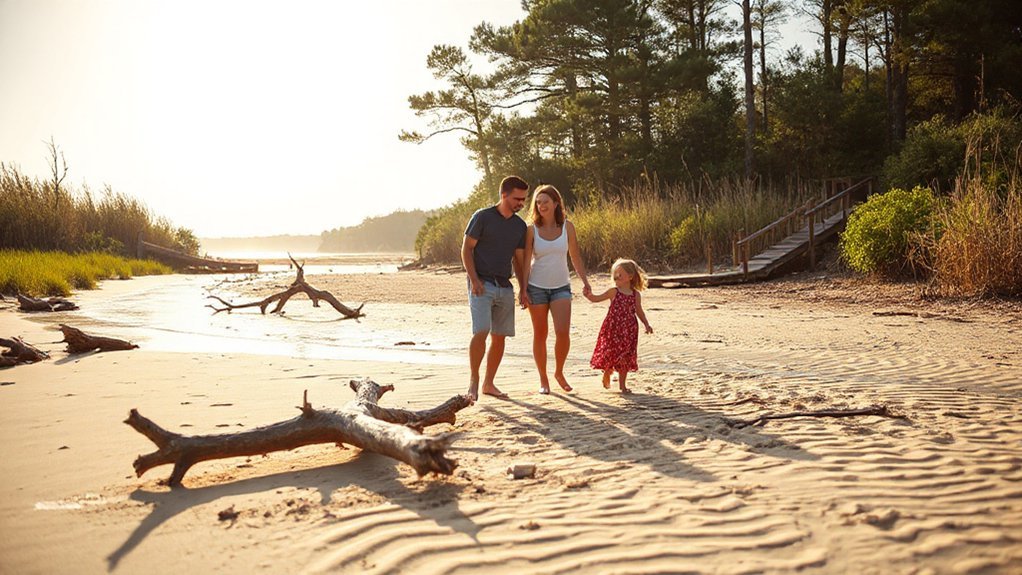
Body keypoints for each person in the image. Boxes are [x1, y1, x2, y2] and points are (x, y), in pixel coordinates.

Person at [462, 175, 530, 401]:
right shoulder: (482, 217)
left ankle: (489, 383)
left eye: (523, 199)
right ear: (504, 195)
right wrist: (474, 280)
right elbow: (466, 249)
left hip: (505, 285)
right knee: (481, 330)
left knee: (499, 336)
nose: (521, 203)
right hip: (481, 283)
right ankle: (473, 380)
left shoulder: (520, 226)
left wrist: (523, 289)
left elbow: (519, 261)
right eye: (517, 199)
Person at [519, 184, 591, 395]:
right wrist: (523, 289)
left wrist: (585, 281)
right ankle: (543, 379)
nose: (541, 206)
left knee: (562, 333)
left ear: (556, 203)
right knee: (540, 334)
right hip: (536, 288)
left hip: (561, 287)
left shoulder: (567, 227)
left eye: (546, 202)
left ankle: (559, 372)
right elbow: (524, 263)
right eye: (538, 202)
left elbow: (575, 256)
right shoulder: (531, 229)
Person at [585, 258, 653, 394]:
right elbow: (597, 298)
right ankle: (607, 373)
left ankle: (622, 385)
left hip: (629, 329)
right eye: (615, 274)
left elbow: (639, 311)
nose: (616, 277)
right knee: (611, 353)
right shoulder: (613, 292)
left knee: (626, 356)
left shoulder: (635, 295)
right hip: (613, 328)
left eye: (620, 274)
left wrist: (646, 324)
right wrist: (589, 295)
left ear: (630, 277)